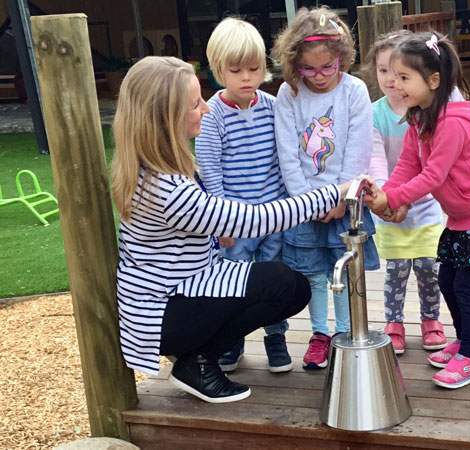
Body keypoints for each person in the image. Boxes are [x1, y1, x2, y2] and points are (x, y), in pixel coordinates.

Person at [111, 55, 371, 403]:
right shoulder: (165, 190)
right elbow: (253, 220)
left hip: (182, 286)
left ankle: (198, 357)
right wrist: (333, 193)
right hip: (163, 312)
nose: (206, 108)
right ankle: (197, 362)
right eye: (194, 104)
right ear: (166, 118)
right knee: (283, 285)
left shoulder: (156, 166)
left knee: (292, 286)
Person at [365, 32, 470, 389]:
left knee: (466, 287)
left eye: (405, 78)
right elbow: (407, 163)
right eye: (391, 75)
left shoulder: (450, 123)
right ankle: (468, 342)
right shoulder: (419, 117)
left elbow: (433, 175)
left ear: (433, 81)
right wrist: (389, 195)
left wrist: (393, 200)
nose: (395, 83)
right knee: (449, 280)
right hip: (460, 217)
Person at [271, 6, 379, 370]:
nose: (317, 76)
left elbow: (358, 150)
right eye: (308, 69)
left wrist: (339, 199)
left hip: (344, 204)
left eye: (326, 67)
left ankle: (345, 332)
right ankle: (319, 333)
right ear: (294, 63)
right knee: (314, 274)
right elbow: (288, 153)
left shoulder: (355, 91)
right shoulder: (290, 94)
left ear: (342, 58)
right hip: (303, 206)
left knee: (345, 270)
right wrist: (308, 203)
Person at [195, 17, 292, 374]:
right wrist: (221, 220)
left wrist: (285, 208)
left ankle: (276, 336)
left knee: (273, 278)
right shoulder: (211, 115)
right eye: (236, 70)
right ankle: (232, 339)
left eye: (254, 68)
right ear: (219, 70)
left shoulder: (272, 106)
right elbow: (210, 170)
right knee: (234, 281)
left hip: (274, 216)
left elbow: (283, 159)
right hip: (234, 220)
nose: (247, 78)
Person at [364, 30, 447, 355]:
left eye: (399, 73)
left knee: (429, 266)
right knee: (396, 269)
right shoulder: (374, 113)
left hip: (425, 202)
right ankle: (394, 322)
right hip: (390, 202)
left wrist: (402, 198)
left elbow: (430, 167)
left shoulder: (428, 109)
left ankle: (431, 320)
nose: (390, 80)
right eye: (383, 71)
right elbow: (374, 158)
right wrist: (388, 198)